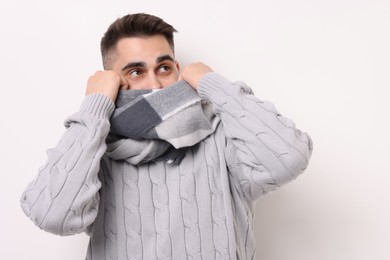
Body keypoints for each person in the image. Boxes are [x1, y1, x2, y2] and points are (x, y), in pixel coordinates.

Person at [20, 13, 313, 260]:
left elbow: (289, 158)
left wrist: (212, 84)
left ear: (177, 70)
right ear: (113, 83)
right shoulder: (96, 150)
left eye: (163, 68)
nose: (155, 84)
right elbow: (52, 216)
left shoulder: (222, 137)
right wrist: (95, 106)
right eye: (136, 72)